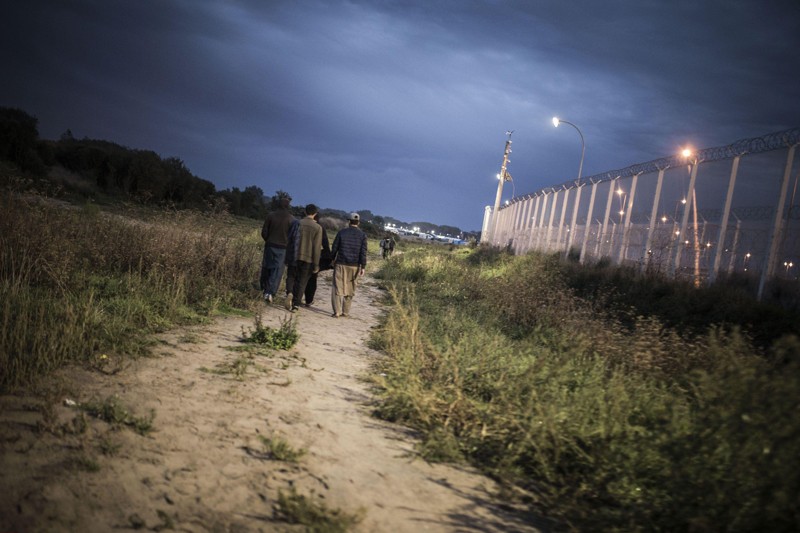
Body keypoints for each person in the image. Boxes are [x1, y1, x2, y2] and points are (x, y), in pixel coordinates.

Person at [285, 204, 322, 312]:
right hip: (308, 259)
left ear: (305, 212)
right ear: (315, 214)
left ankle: (289, 292)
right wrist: (316, 265)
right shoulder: (318, 228)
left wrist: (287, 256)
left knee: (291, 276)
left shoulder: (297, 223)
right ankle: (296, 304)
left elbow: (289, 240)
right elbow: (316, 248)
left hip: (294, 255)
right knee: (302, 282)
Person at [330, 212, 367, 318]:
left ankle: (337, 311)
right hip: (354, 266)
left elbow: (334, 248)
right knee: (351, 288)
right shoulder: (363, 235)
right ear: (358, 222)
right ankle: (345, 312)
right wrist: (363, 267)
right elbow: (363, 252)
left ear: (349, 221)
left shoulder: (342, 232)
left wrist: (332, 259)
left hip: (341, 263)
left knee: (337, 287)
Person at [259, 197, 294, 303]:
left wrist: (268, 240)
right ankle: (270, 292)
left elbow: (264, 232)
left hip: (270, 245)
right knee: (277, 270)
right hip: (282, 248)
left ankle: (264, 288)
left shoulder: (270, 216)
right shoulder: (291, 219)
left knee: (266, 267)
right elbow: (291, 236)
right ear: (288, 206)